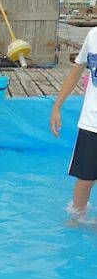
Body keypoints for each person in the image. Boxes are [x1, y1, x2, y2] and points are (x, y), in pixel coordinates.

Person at [50, 26, 97, 216]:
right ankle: (76, 219)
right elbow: (76, 70)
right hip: (91, 122)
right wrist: (57, 106)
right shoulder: (93, 35)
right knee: (85, 179)